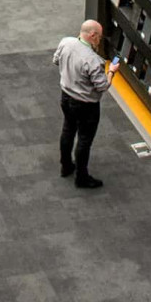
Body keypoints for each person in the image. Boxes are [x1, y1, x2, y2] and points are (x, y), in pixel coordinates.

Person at [54, 20, 117, 189]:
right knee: (84, 140)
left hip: (66, 97)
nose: (99, 40)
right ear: (92, 35)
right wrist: (111, 72)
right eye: (99, 37)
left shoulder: (65, 42)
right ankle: (81, 177)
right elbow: (102, 86)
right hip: (86, 105)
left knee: (68, 129)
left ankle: (66, 165)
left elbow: (56, 60)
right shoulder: (94, 60)